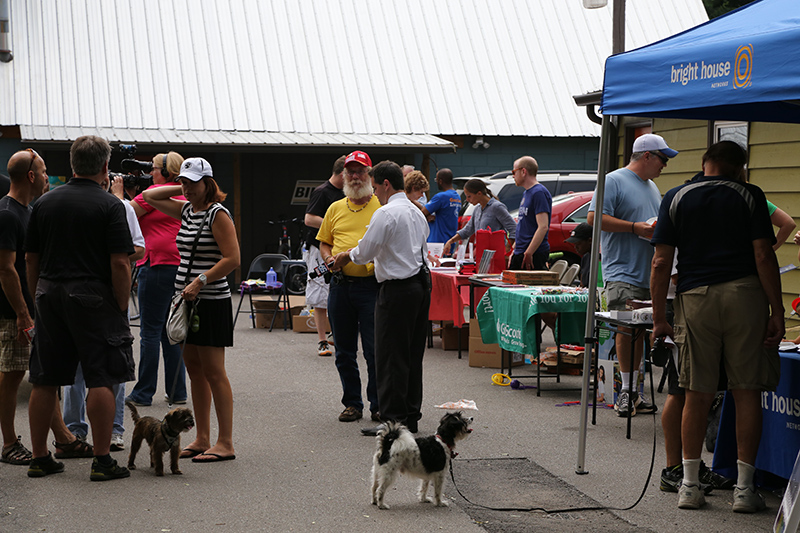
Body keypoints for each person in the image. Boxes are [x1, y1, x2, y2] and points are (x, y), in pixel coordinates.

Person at [651, 141, 783, 512]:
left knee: (696, 392)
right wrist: (777, 310)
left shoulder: (676, 197)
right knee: (746, 390)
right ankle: (744, 489)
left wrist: (660, 317)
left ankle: (689, 486)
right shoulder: (750, 194)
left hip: (695, 298)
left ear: (705, 163)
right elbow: (762, 254)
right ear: (740, 168)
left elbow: (661, 262)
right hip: (745, 295)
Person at [25, 136, 135, 480]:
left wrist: (37, 296)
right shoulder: (110, 206)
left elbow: (31, 258)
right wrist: (120, 305)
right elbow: (120, 262)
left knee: (45, 379)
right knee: (101, 376)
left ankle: (40, 457)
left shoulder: (44, 203)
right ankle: (102, 460)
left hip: (49, 293)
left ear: (72, 164)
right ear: (104, 167)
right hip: (93, 296)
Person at [142, 157, 240, 463]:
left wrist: (201, 279)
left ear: (208, 183)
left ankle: (225, 442)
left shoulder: (217, 214)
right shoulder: (186, 208)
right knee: (195, 372)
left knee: (214, 372)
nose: (186, 188)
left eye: (193, 182)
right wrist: (182, 184)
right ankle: (201, 437)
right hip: (184, 300)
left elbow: (233, 258)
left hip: (210, 301)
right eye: (184, 182)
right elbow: (149, 196)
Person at [333, 160, 430, 437]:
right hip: (420, 286)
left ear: (386, 184)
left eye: (375, 186)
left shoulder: (386, 213)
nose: (373, 192)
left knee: (390, 356)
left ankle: (392, 419)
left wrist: (346, 255)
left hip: (397, 289)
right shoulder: (416, 212)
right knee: (412, 354)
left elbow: (366, 251)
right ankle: (410, 415)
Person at [587, 133, 677, 417]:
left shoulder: (651, 186)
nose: (665, 165)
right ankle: (625, 392)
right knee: (626, 331)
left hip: (651, 273)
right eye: (663, 159)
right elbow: (594, 218)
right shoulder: (614, 180)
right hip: (622, 271)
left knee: (641, 333)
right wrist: (636, 228)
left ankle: (635, 393)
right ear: (647, 156)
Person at [61, 174, 145, 452]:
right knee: (74, 369)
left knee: (112, 368)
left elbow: (138, 247)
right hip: (75, 294)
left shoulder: (120, 207)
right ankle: (74, 430)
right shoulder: (63, 203)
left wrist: (110, 260)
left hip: (108, 294)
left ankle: (114, 430)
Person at [316, 151, 381, 425]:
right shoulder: (335, 208)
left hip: (371, 288)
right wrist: (329, 258)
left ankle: (377, 405)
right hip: (340, 287)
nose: (355, 176)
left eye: (360, 171)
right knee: (343, 351)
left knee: (374, 350)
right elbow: (324, 242)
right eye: (350, 171)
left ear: (369, 175)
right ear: (343, 175)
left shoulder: (381, 206)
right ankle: (352, 404)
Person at [125, 151, 189, 407]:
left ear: (166, 172)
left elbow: (123, 213)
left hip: (155, 265)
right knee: (169, 332)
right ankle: (177, 391)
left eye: (152, 169)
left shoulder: (155, 193)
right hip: (177, 266)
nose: (148, 173)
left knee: (150, 332)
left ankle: (143, 393)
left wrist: (119, 193)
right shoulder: (183, 192)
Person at [0, 149, 48, 465]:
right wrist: (21, 314)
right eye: (44, 171)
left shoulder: (27, 211)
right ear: (31, 176)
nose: (47, 176)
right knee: (12, 376)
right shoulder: (7, 213)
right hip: (13, 313)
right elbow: (6, 268)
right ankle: (8, 444)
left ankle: (65, 437)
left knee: (44, 375)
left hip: (31, 310)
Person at [304, 155, 345, 357]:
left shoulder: (347, 193)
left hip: (339, 250)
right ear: (341, 173)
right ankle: (322, 341)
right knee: (320, 293)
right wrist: (333, 225)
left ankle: (335, 335)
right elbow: (309, 219)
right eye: (350, 173)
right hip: (319, 249)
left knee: (339, 291)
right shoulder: (322, 192)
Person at [443, 178, 515, 256]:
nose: (467, 200)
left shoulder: (496, 207)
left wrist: (506, 249)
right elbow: (467, 230)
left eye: (469, 196)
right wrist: (450, 241)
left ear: (479, 193)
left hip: (496, 254)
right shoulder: (477, 209)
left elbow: (513, 228)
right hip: (481, 255)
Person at [509, 156, 551, 271]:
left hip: (534, 253)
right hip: (521, 251)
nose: (513, 176)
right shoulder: (526, 193)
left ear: (523, 171)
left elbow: (543, 226)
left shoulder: (539, 193)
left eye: (514, 171)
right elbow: (525, 225)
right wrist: (515, 250)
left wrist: (529, 253)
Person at [420, 169, 461, 254]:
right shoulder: (457, 197)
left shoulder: (441, 197)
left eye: (436, 180)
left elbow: (422, 212)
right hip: (449, 241)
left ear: (440, 181)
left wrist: (410, 200)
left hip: (437, 242)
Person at [564, 223, 597, 288]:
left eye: (578, 244)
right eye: (574, 244)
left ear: (590, 240)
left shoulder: (599, 259)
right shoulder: (585, 257)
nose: (575, 247)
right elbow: (582, 283)